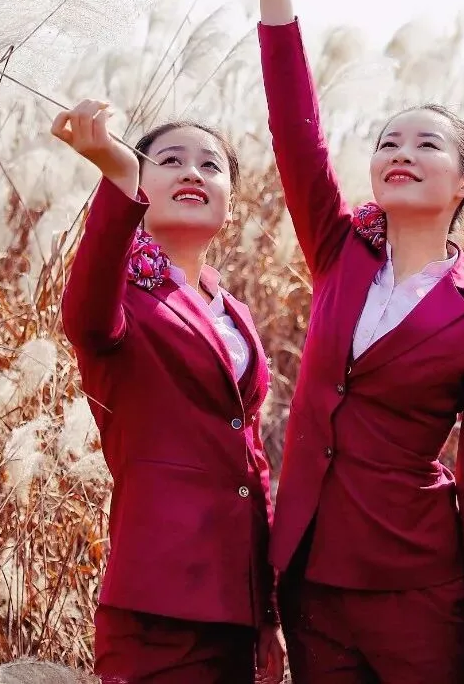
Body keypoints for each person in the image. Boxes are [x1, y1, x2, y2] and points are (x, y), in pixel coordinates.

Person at [234, 0, 464, 684]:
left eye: (426, 144)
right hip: (309, 577)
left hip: (418, 586)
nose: (401, 152)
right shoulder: (339, 254)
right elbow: (297, 135)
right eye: (388, 142)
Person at [54, 102, 285, 684]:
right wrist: (115, 179)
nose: (192, 172)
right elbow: (86, 321)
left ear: (231, 204)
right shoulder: (120, 294)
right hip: (157, 598)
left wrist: (267, 609)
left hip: (234, 603)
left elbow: (252, 459)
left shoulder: (235, 313)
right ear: (140, 184)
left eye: (211, 165)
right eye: (171, 160)